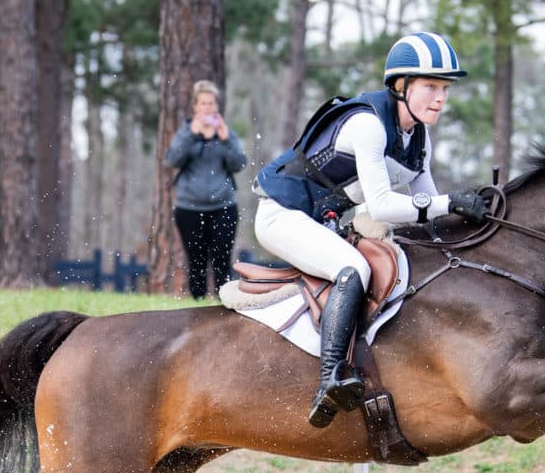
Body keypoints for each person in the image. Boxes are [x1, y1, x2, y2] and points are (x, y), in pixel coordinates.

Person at [254, 31, 489, 428]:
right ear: (401, 86)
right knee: (355, 269)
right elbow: (382, 205)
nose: (440, 98)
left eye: (445, 89)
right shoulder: (369, 124)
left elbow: (426, 204)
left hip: (319, 221)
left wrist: (472, 217)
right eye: (431, 86)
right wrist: (451, 202)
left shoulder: (419, 138)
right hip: (281, 213)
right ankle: (330, 377)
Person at [164, 80, 247, 299]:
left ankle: (224, 303)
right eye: (203, 103)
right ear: (195, 107)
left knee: (222, 259)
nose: (208, 108)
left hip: (224, 206)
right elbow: (173, 159)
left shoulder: (226, 134)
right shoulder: (185, 133)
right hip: (189, 208)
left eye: (211, 103)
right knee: (196, 260)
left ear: (217, 106)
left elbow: (239, 164)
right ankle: (197, 305)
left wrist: (226, 139)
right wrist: (192, 134)